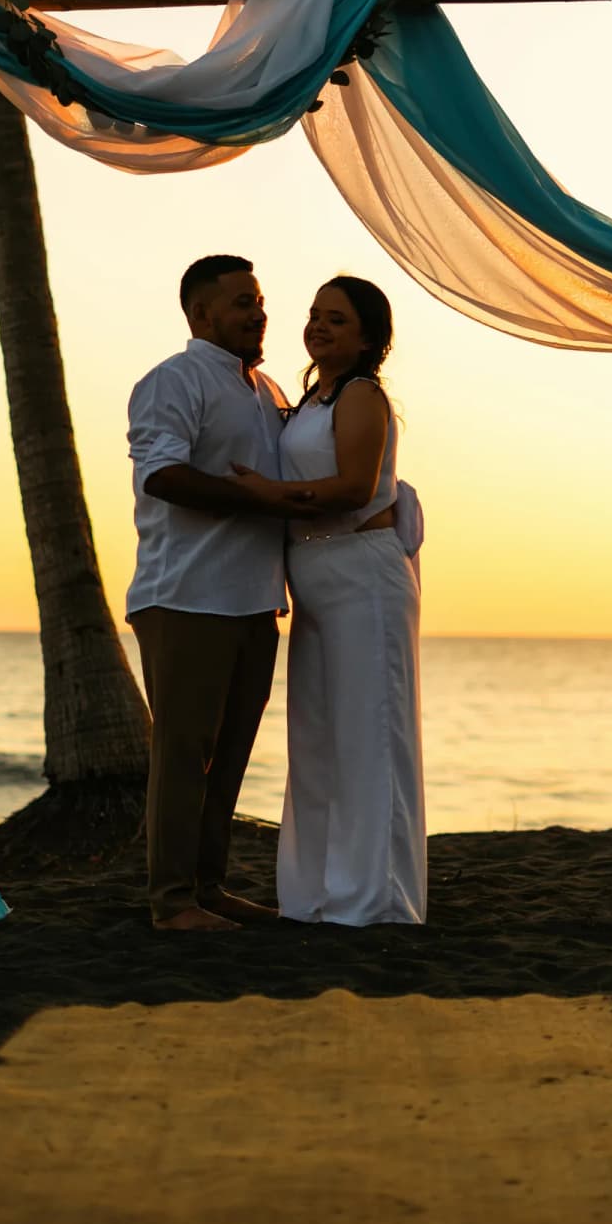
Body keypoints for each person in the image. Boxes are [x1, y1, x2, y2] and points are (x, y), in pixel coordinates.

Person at [233, 276, 426, 926]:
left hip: (362, 577)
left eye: (337, 320)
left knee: (369, 734)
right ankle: (313, 894)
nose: (319, 327)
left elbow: (352, 489)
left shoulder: (362, 395)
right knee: (316, 738)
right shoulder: (310, 400)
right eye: (315, 315)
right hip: (314, 580)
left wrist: (266, 495)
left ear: (369, 337)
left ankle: (372, 899)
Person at [126, 254, 310, 933]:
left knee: (229, 754)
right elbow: (162, 475)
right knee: (183, 754)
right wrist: (260, 499)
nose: (258, 312)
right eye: (241, 302)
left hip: (256, 600)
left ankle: (208, 886)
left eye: (259, 300)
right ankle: (171, 899)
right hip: (186, 597)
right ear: (202, 314)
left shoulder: (265, 390)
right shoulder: (173, 381)